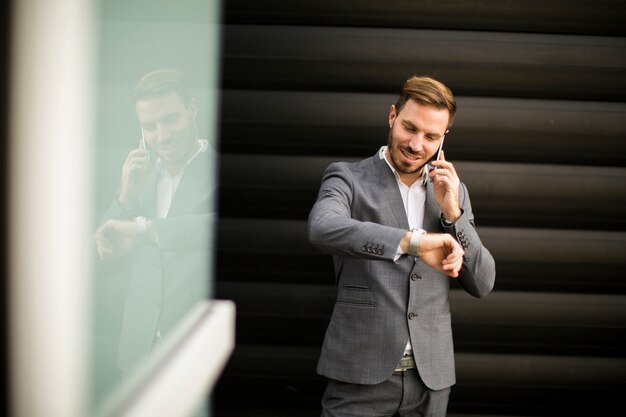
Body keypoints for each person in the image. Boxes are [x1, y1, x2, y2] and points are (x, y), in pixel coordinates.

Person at [308, 75, 496, 416]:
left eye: (431, 136)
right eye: (410, 128)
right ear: (392, 116)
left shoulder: (454, 192)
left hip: (431, 381)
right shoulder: (347, 178)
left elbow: (482, 282)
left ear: (444, 138)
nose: (416, 144)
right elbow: (323, 228)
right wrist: (413, 242)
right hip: (359, 376)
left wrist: (453, 214)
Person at [94, 68, 217, 374]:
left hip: (198, 358)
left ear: (192, 109)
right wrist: (125, 198)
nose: (162, 135)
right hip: (136, 360)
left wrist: (144, 229)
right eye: (149, 126)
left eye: (171, 119)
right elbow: (96, 260)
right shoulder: (137, 180)